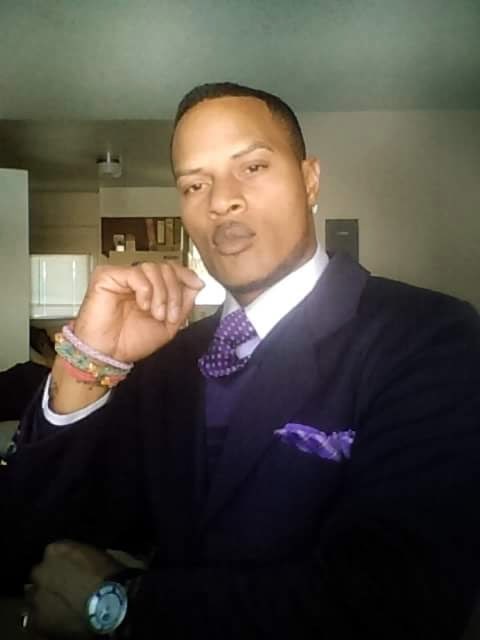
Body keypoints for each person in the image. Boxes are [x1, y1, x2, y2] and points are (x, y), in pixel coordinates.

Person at [1, 82, 479, 640]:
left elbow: (405, 598)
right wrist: (89, 360)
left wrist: (126, 607)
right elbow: (30, 546)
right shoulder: (168, 360)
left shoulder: (430, 334)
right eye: (194, 183)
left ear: (310, 180)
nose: (220, 200)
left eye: (252, 167)